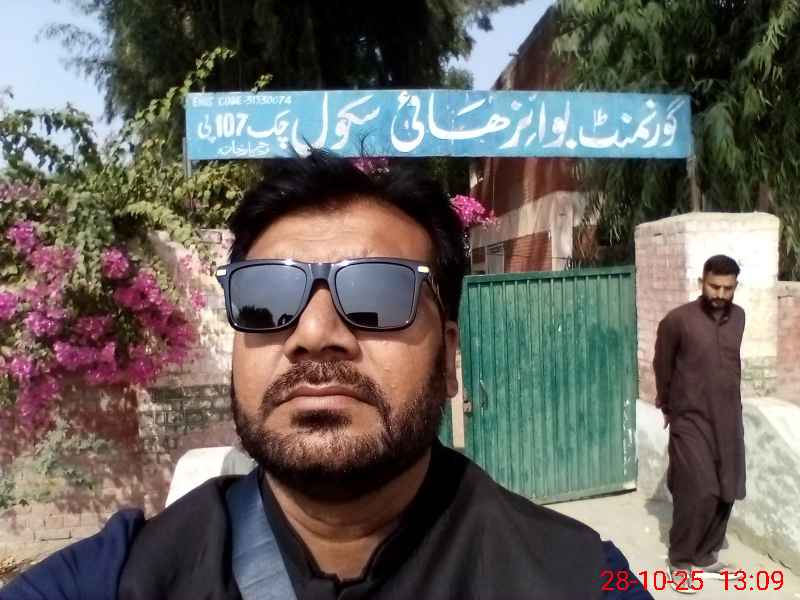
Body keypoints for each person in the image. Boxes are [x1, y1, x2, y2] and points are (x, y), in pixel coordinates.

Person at [3, 151, 651, 600]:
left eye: (376, 294)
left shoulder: (581, 578)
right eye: (265, 300)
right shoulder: (124, 577)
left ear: (449, 356)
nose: (314, 333)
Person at [653, 254, 746, 593]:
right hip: (690, 418)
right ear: (701, 283)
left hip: (728, 418)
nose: (720, 294)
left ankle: (706, 556)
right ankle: (680, 561)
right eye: (714, 286)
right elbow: (662, 364)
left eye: (728, 288)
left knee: (727, 487)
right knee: (698, 489)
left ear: (735, 286)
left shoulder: (739, 317)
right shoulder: (678, 320)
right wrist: (667, 406)